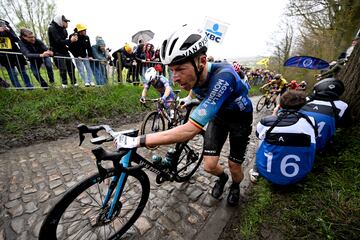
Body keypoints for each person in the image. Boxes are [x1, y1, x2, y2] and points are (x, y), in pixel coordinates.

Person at [114, 25, 253, 206]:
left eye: (179, 69)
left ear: (201, 61)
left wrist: (140, 140)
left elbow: (190, 130)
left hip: (239, 121)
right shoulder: (196, 73)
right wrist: (188, 99)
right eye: (172, 70)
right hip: (219, 118)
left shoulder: (224, 76)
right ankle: (223, 177)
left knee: (235, 167)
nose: (175, 78)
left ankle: (235, 185)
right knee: (209, 165)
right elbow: (198, 88)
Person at [249, 91, 317, 185]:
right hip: (299, 175)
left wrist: (274, 115)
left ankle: (255, 170)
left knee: (262, 139)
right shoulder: (311, 120)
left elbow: (258, 134)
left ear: (280, 105)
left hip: (267, 173)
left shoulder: (266, 121)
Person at [300, 78, 350, 152]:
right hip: (321, 146)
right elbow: (346, 124)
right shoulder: (343, 105)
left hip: (296, 142)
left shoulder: (305, 101)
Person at [0, 19, 33, 88]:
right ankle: (19, 89)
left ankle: (29, 87)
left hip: (15, 53)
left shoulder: (7, 26)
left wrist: (8, 31)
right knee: (12, 73)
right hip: (4, 56)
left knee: (23, 71)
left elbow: (16, 39)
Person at [48, 14, 78, 88]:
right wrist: (69, 40)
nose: (67, 23)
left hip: (64, 51)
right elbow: (58, 41)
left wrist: (71, 40)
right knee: (62, 68)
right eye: (65, 22)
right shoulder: (52, 28)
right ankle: (64, 84)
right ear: (60, 21)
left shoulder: (64, 30)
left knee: (71, 66)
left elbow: (65, 41)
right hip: (56, 51)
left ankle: (74, 82)